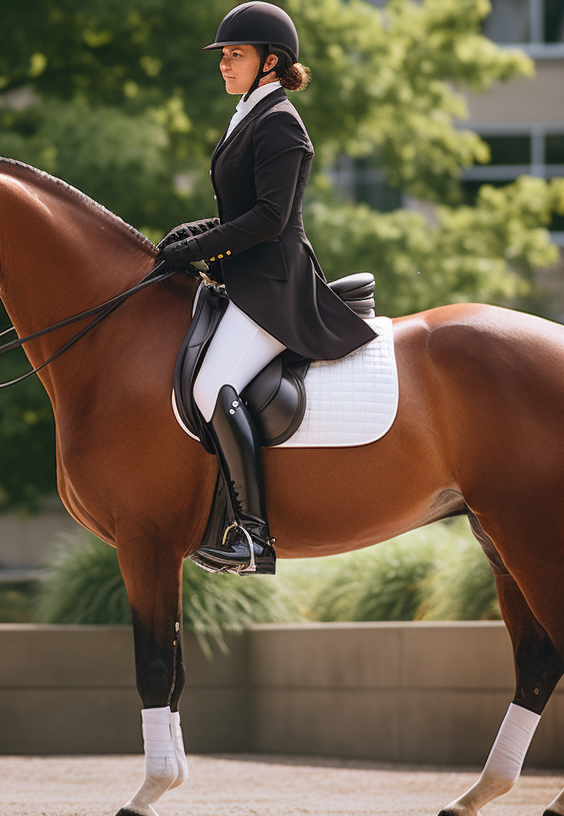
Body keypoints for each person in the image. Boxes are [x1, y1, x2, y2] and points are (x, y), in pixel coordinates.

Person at [158, 1, 377, 575]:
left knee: (213, 385)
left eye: (236, 55)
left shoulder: (279, 121)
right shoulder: (251, 114)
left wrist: (197, 249)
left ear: (271, 62)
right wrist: (194, 233)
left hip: (273, 286)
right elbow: (241, 211)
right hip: (248, 279)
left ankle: (253, 536)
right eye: (225, 56)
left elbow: (269, 220)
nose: (224, 65)